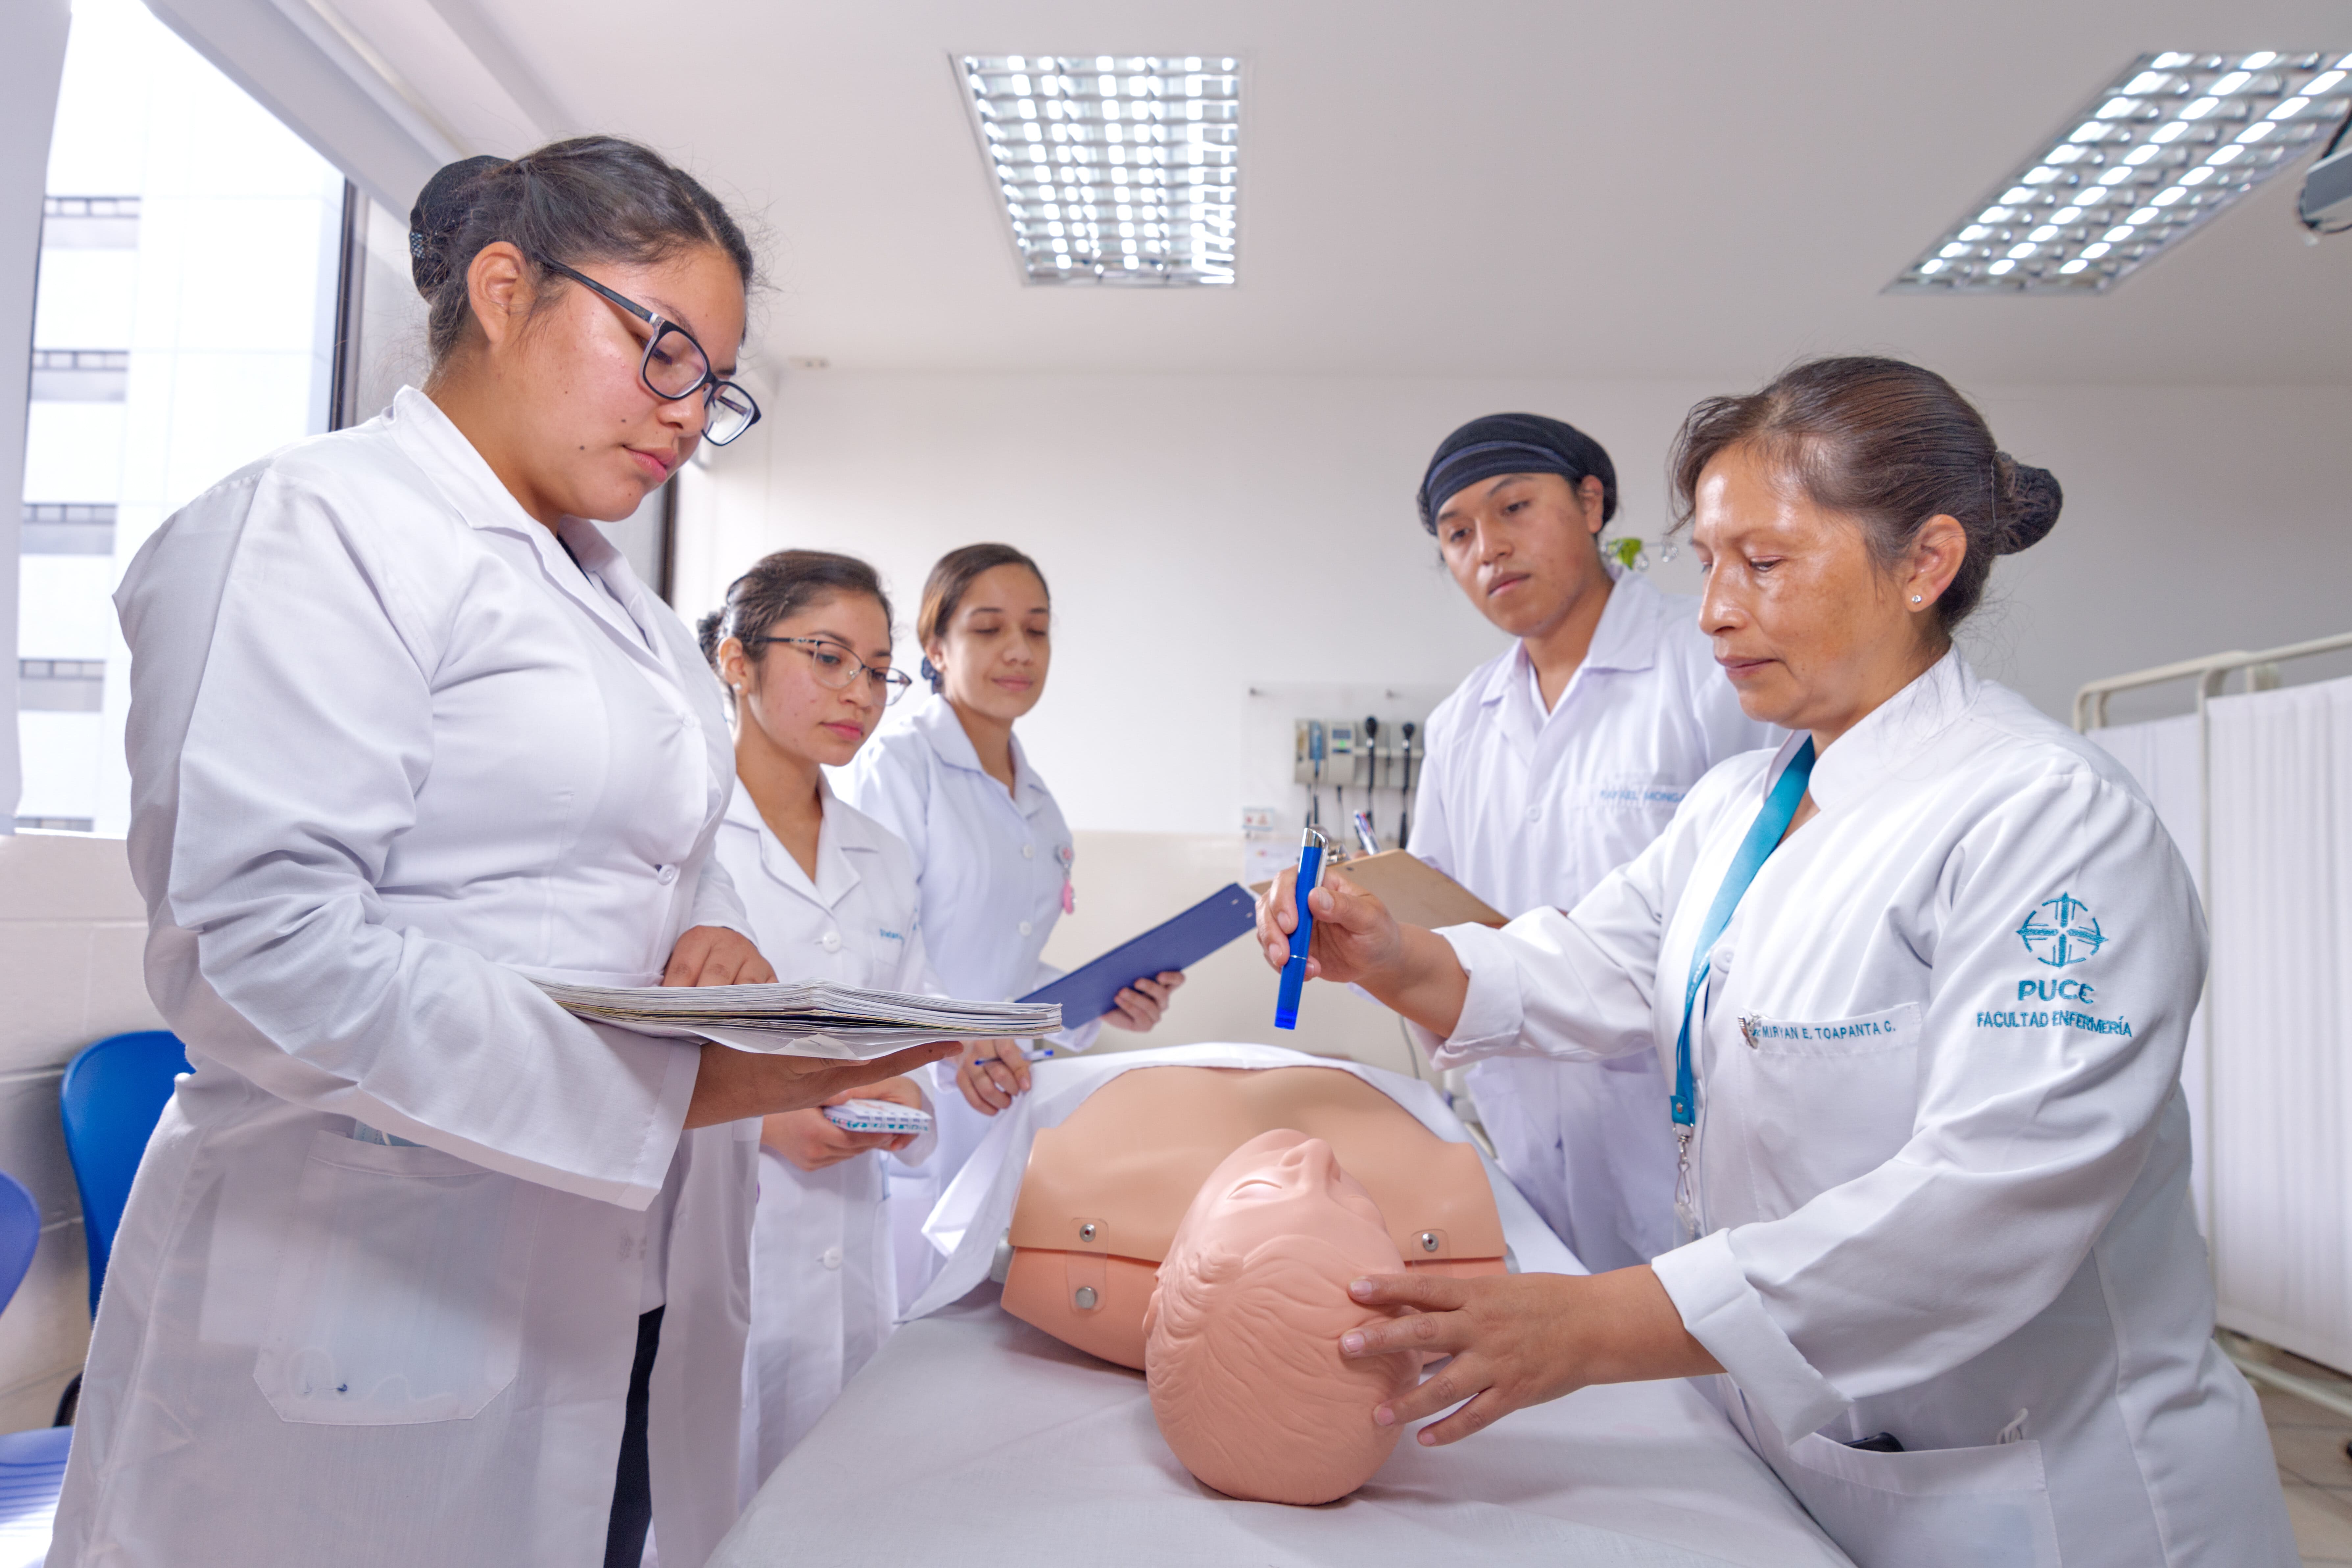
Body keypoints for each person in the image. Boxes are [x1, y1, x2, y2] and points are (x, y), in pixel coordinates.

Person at [50, 142, 956, 1568]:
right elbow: (255, 947)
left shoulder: (635, 616)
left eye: (714, 384)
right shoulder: (317, 525)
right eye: (661, 348)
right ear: (503, 289)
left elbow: (674, 855)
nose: (685, 413)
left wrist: (712, 940)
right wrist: (676, 1082)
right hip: (357, 1288)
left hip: (614, 1287)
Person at [1258, 357, 2293, 1566]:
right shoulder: (1742, 806)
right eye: (1708, 561)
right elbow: (1591, 964)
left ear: (1925, 562)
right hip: (1816, 1457)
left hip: (2049, 1488)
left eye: (1763, 561)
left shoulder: (2048, 817)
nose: (1712, 610)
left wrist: (1596, 1323)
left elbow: (1995, 1195)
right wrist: (1389, 954)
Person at [1407, 413, 1773, 1271]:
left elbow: (1779, 886)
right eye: (1457, 534)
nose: (1489, 549)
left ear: (1592, 503)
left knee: (1707, 1329)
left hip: (1690, 1122)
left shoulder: (1712, 665)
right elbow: (1431, 905)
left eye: (1514, 508)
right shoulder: (1462, 723)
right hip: (1525, 1121)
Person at [842, 544, 1184, 1289]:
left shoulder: (1040, 802)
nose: (1020, 650)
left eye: (1037, 629)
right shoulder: (899, 764)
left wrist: (1100, 1003)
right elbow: (876, 944)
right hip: (918, 1090)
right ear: (937, 646)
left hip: (1004, 1097)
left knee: (976, 1314)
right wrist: (955, 1035)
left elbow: (1008, 966)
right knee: (902, 1315)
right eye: (989, 628)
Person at [698, 549, 946, 1490]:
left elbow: (913, 1034)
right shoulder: (681, 834)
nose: (861, 693)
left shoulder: (882, 854)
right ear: (738, 661)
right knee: (702, 1506)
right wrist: (766, 1123)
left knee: (824, 1502)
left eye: (878, 670)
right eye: (829, 657)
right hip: (714, 1236)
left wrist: (906, 1101)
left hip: (851, 1244)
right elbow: (623, 1049)